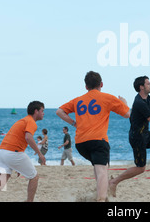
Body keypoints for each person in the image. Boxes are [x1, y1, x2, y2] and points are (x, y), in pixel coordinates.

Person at [56, 71, 130, 202]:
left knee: (100, 168)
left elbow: (59, 111)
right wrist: (124, 102)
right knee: (102, 170)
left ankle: (102, 195)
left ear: (86, 86)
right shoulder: (107, 97)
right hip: (97, 140)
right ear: (101, 84)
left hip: (81, 143)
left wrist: (73, 123)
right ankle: (101, 199)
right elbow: (127, 114)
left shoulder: (78, 100)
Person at [0, 101, 46, 202]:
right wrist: (40, 154)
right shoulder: (31, 121)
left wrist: (16, 165)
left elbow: (17, 140)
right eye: (42, 111)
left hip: (2, 152)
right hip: (13, 153)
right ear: (36, 111)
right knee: (34, 177)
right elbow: (28, 137)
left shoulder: (22, 121)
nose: (43, 113)